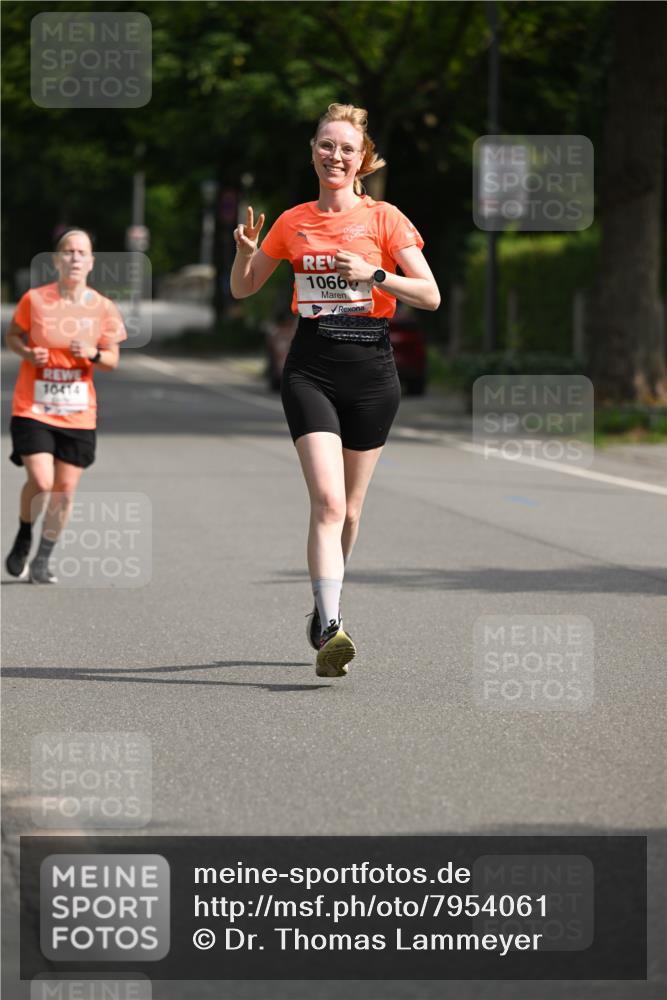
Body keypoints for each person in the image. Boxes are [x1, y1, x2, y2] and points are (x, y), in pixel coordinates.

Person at [231, 103, 440, 677]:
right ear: (314, 153)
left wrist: (373, 274)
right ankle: (329, 625)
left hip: (372, 371)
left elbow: (430, 295)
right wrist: (246, 253)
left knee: (349, 512)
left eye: (346, 148)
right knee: (326, 501)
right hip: (312, 367)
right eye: (326, 146)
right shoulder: (293, 221)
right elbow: (245, 289)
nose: (336, 156)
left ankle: (326, 608)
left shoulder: (385, 220)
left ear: (361, 159)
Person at [4, 228, 127, 584]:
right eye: (68, 251)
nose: (74, 257)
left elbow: (111, 359)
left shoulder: (103, 307)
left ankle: (42, 560)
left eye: (81, 252)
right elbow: (13, 336)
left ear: (91, 263)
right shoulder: (34, 300)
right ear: (57, 260)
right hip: (34, 406)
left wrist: (91, 353)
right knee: (41, 482)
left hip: (77, 412)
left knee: (65, 491)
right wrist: (28, 352)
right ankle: (25, 533)